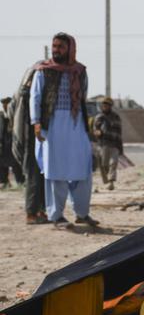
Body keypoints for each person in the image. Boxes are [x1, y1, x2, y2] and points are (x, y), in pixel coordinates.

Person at [30, 33, 98, 229]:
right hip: (51, 126)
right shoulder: (44, 71)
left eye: (60, 46)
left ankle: (82, 213)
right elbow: (35, 98)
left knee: (82, 170)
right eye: (54, 46)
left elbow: (83, 96)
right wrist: (36, 122)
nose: (56, 50)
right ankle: (56, 215)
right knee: (56, 172)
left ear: (70, 49)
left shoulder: (80, 71)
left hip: (76, 125)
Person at [12, 63, 47, 224]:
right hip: (30, 141)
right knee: (34, 177)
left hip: (37, 140)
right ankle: (31, 213)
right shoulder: (26, 96)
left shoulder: (24, 95)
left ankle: (40, 211)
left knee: (42, 177)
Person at [93, 96, 123, 190]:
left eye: (107, 105)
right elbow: (95, 129)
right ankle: (106, 181)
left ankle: (111, 183)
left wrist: (120, 147)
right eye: (104, 105)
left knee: (113, 163)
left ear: (110, 106)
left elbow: (119, 132)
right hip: (104, 144)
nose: (105, 106)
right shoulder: (99, 117)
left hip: (114, 144)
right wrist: (97, 133)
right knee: (104, 165)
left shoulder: (116, 117)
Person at [0, 97, 25, 188]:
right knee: (2, 164)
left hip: (13, 143)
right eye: (4, 104)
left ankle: (20, 181)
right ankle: (4, 181)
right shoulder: (2, 116)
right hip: (4, 144)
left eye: (6, 104)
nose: (5, 106)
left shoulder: (15, 115)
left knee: (16, 163)